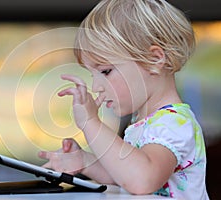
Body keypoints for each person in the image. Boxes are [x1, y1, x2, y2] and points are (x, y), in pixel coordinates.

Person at [38, 0, 209, 199]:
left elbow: (141, 180)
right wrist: (84, 161)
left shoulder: (174, 123)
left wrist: (91, 123)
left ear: (154, 60)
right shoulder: (143, 124)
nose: (96, 87)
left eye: (105, 71)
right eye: (93, 75)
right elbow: (123, 174)